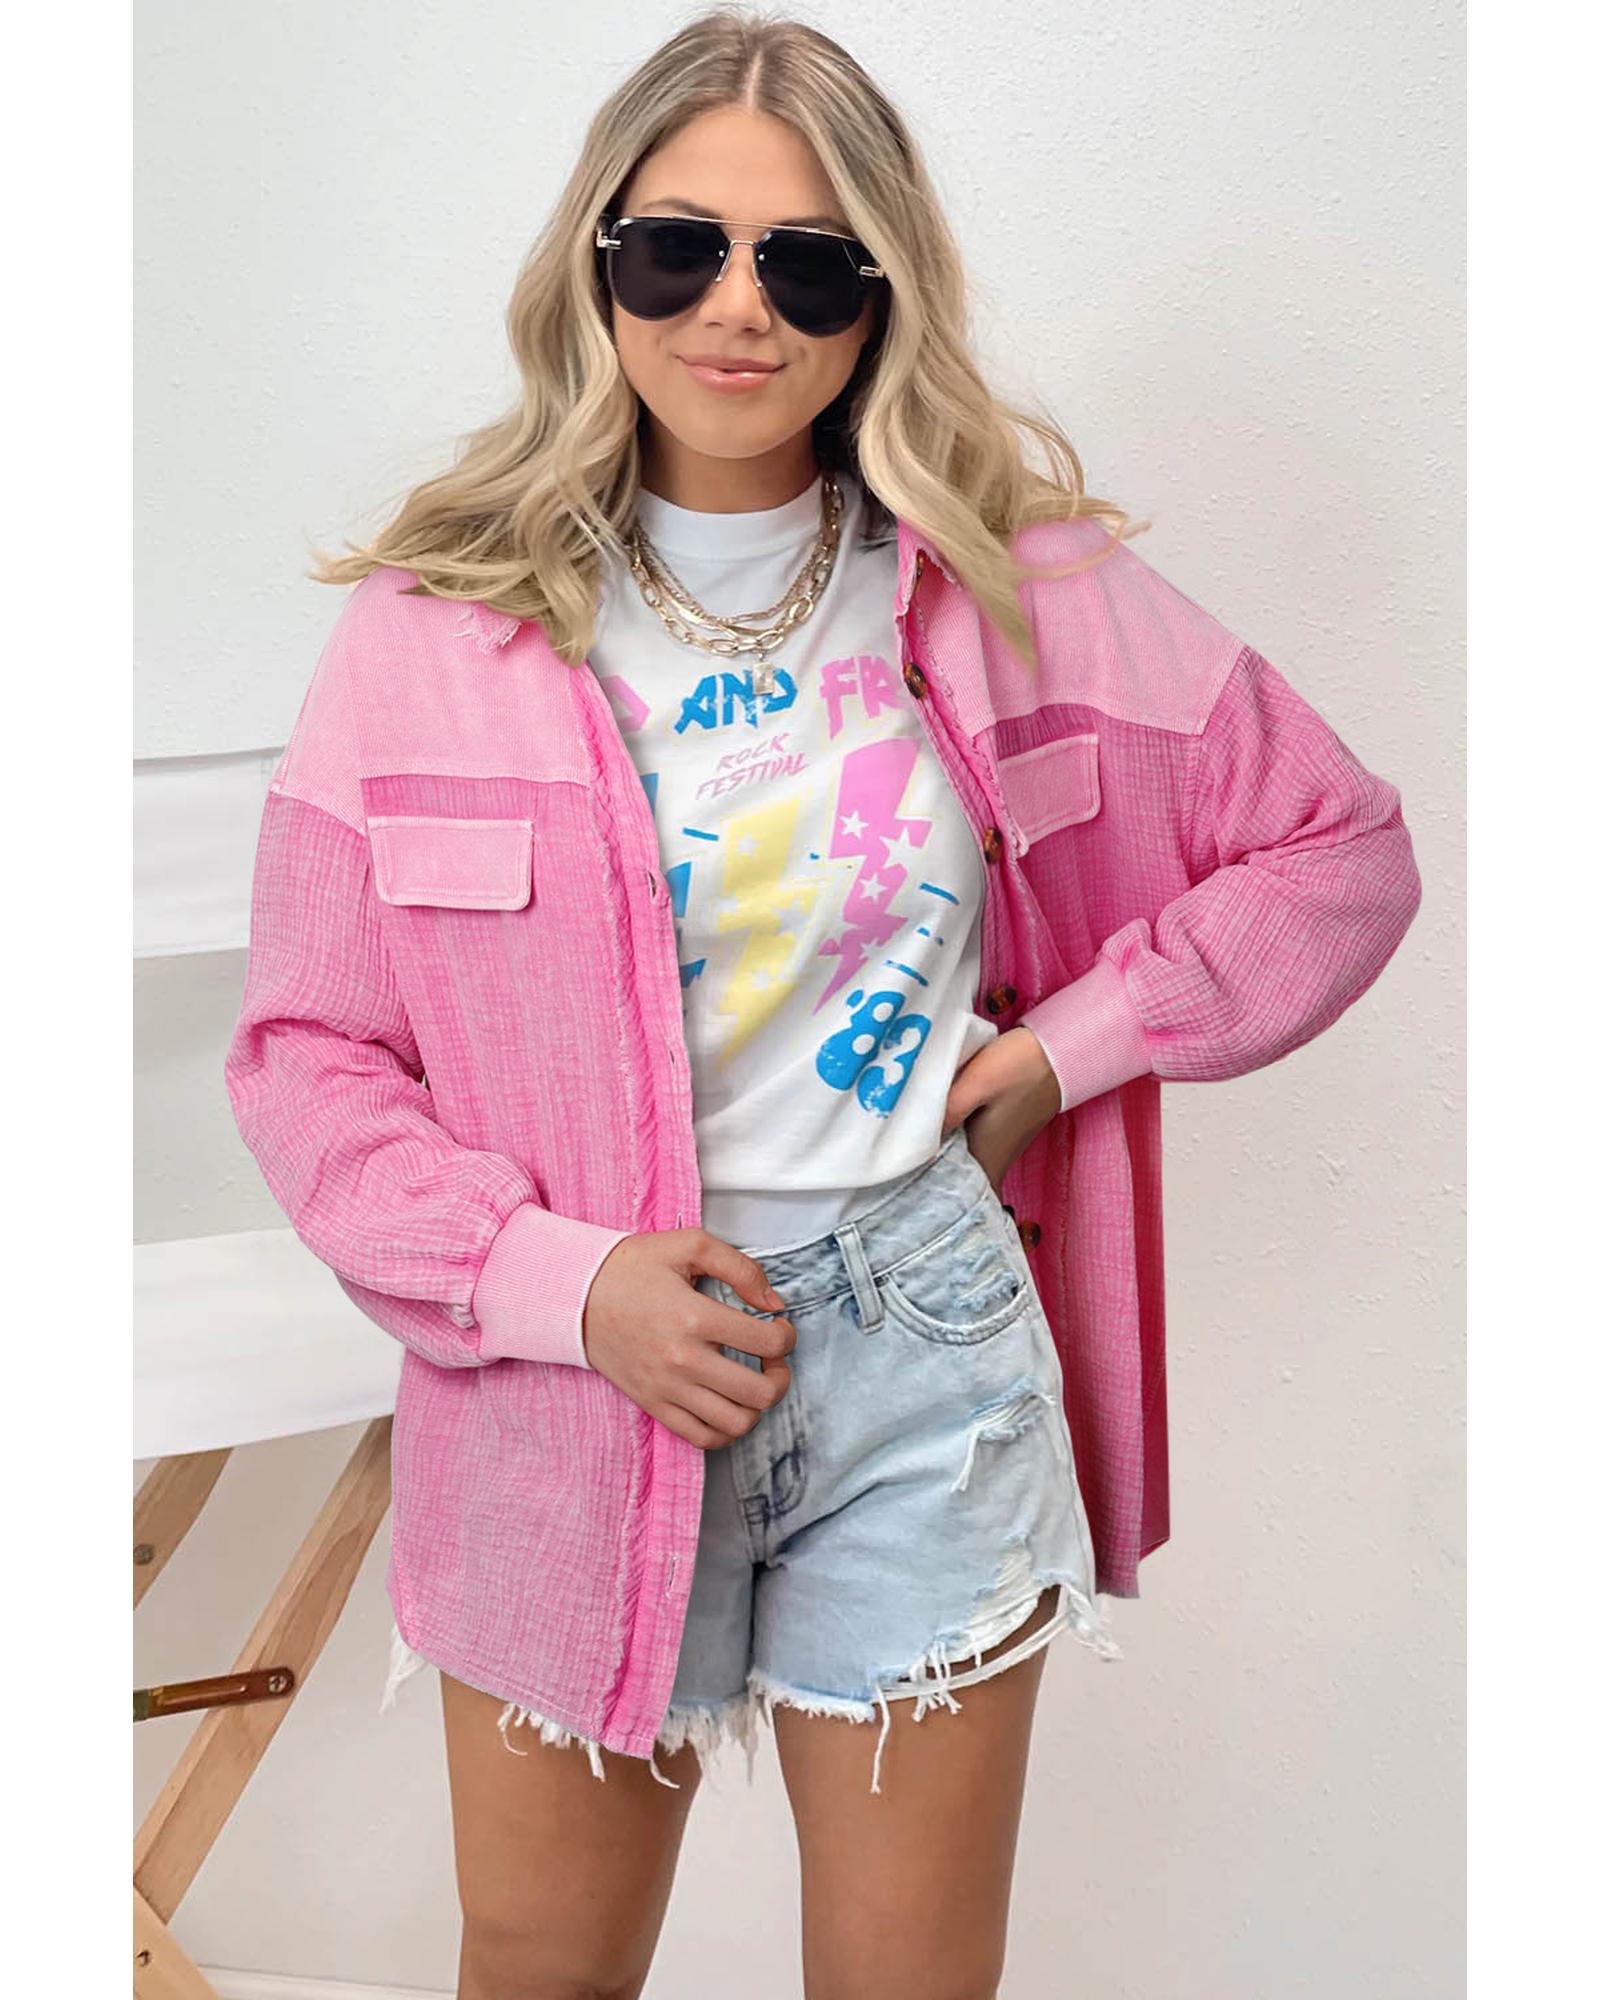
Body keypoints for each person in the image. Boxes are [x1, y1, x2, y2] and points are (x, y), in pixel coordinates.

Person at [223, 10, 1423, 1996]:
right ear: (595, 263)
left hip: (925, 1356)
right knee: (539, 1967)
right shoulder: (434, 630)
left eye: (807, 262)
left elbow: (1334, 847)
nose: (736, 308)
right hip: (571, 1378)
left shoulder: (1011, 587)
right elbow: (308, 1059)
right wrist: (558, 1283)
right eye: (676, 248)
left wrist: (1062, 1052)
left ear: (880, 296)